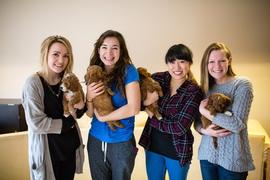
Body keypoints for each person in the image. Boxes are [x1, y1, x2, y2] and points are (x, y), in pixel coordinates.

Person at [22, 35, 85, 180]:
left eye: (66, 56)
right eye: (56, 54)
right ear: (45, 55)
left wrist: (81, 104)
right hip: (49, 153)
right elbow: (36, 123)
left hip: (69, 151)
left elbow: (80, 111)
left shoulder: (69, 78)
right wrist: (67, 123)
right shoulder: (33, 83)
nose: (61, 61)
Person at [139, 44, 203, 180]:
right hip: (152, 147)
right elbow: (136, 102)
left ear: (189, 63)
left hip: (177, 150)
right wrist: (145, 103)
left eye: (182, 62)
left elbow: (179, 127)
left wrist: (153, 118)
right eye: (172, 62)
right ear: (167, 63)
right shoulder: (158, 78)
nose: (177, 67)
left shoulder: (194, 91)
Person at [85, 30, 141, 180]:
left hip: (121, 143)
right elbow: (90, 114)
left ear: (121, 51)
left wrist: (105, 118)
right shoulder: (93, 72)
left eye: (114, 47)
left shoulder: (129, 71)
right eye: (104, 47)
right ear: (98, 50)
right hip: (96, 141)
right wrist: (89, 97)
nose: (109, 52)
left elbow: (134, 107)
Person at [194, 42, 255, 180]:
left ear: (229, 61)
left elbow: (237, 124)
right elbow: (197, 122)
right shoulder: (204, 88)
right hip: (206, 156)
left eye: (222, 60)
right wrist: (204, 131)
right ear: (206, 64)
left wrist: (205, 112)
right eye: (211, 61)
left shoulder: (242, 84)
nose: (217, 66)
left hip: (233, 159)